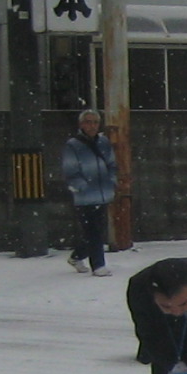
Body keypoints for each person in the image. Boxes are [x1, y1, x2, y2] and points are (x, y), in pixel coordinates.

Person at [60, 111, 117, 278]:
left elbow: (112, 163)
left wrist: (111, 180)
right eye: (88, 122)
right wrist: (81, 186)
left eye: (94, 122)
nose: (91, 126)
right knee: (94, 231)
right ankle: (98, 265)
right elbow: (70, 170)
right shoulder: (73, 145)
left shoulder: (104, 142)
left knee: (95, 231)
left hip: (103, 193)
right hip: (85, 196)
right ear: (81, 125)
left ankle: (77, 256)